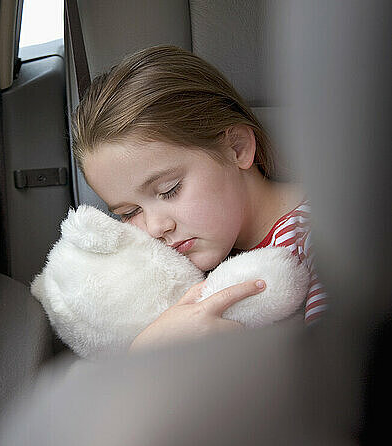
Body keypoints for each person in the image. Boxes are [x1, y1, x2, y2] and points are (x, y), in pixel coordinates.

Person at [71, 45, 327, 351]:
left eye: (170, 189)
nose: (155, 228)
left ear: (237, 148)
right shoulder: (180, 270)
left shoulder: (324, 238)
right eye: (128, 213)